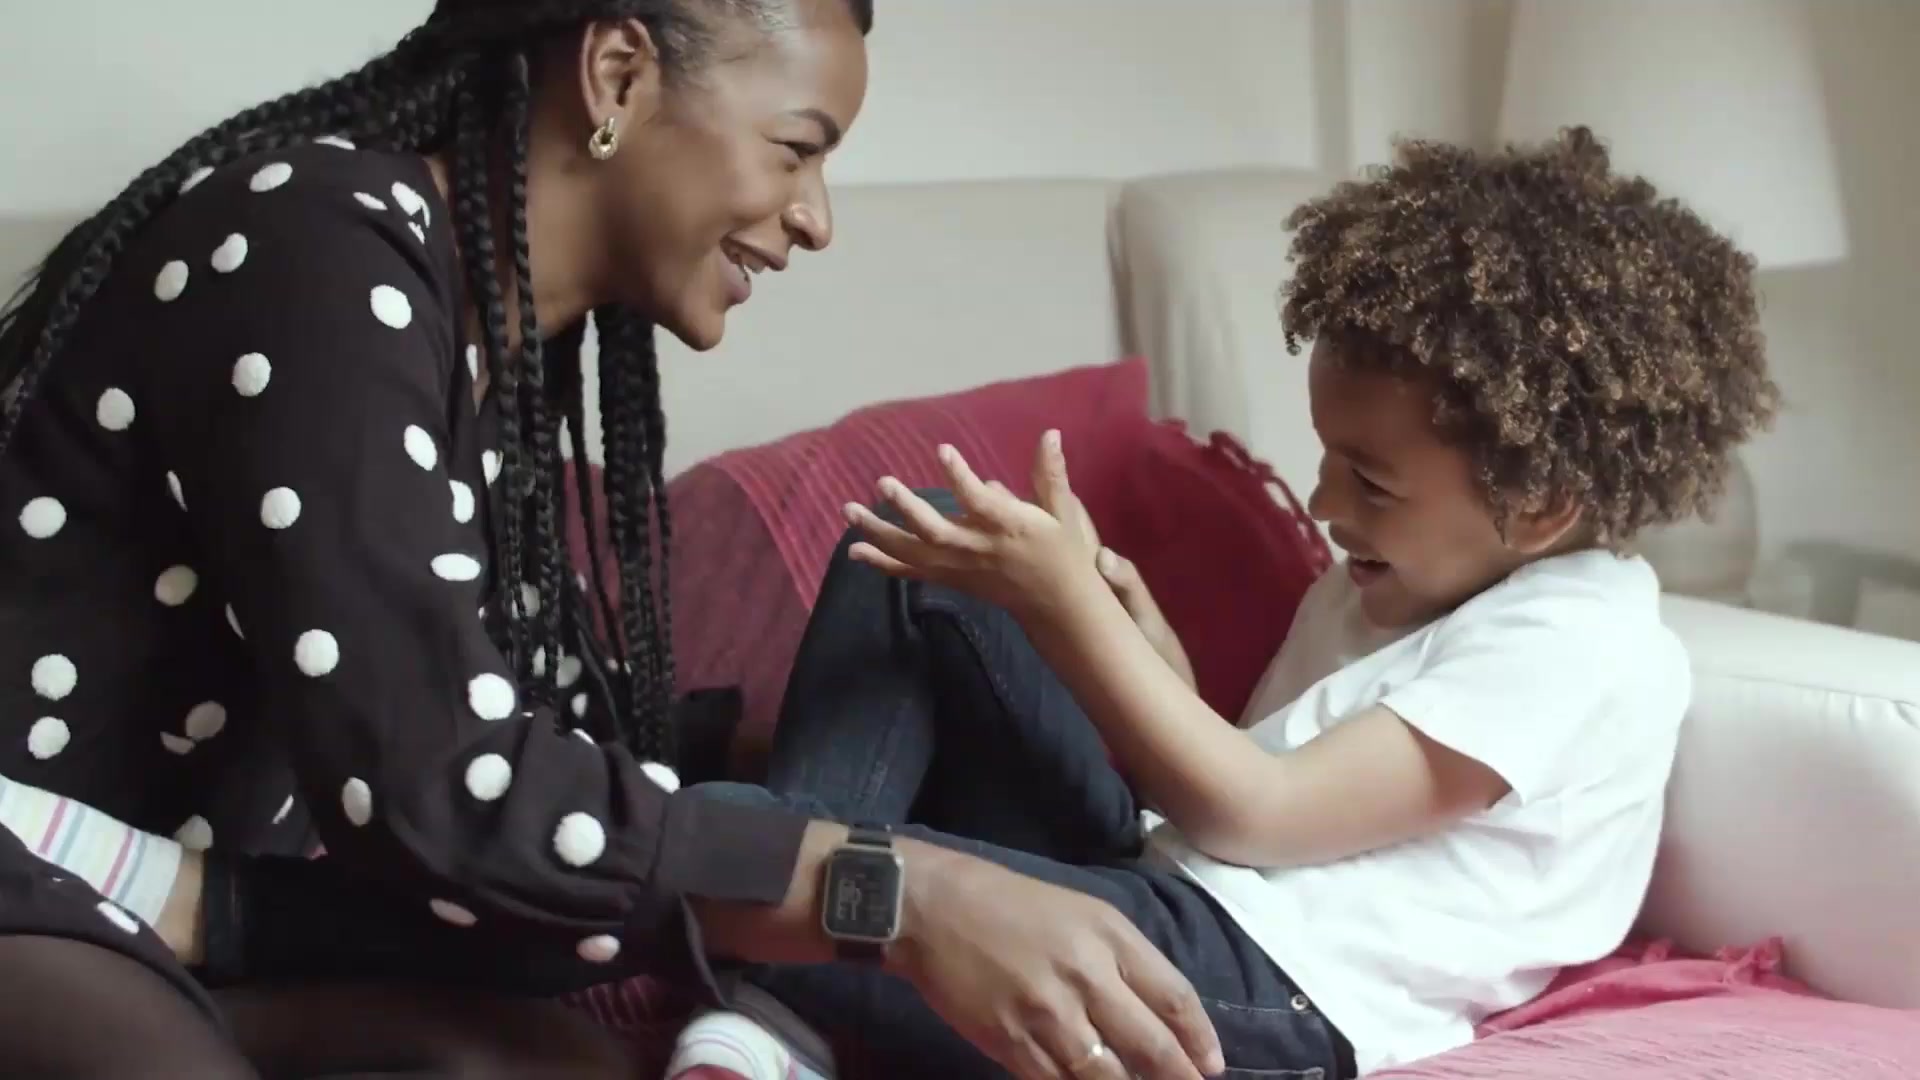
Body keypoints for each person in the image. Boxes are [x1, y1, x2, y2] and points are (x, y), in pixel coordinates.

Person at [0, 2, 1227, 1078]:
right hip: (28, 875)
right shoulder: (314, 246)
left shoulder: (485, 347)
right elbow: (445, 787)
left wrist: (863, 742)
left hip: (189, 910)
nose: (816, 220)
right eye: (797, 148)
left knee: (563, 1059)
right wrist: (895, 895)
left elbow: (547, 740)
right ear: (619, 76)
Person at [682, 126, 1780, 1077]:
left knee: (709, 839)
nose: (1324, 502)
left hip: (1269, 996)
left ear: (1538, 504)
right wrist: (1144, 650)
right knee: (919, 548)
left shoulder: (1578, 641)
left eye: (1372, 481)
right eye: (1328, 458)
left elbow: (1257, 814)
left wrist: (1073, 618)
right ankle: (787, 956)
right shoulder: (1394, 580)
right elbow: (1239, 786)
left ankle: (772, 982)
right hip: (1178, 890)